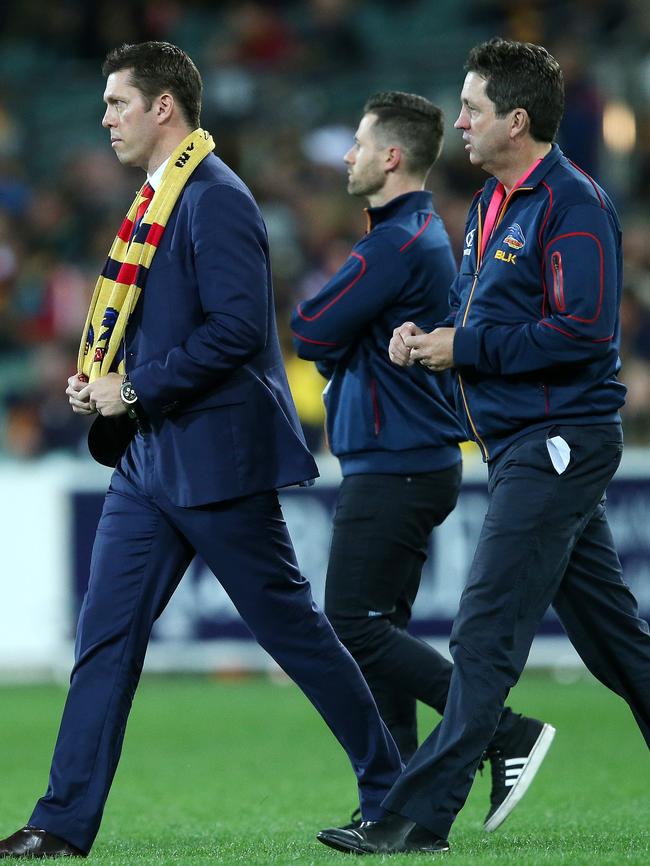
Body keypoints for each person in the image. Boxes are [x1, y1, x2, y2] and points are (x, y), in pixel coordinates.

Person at [0, 41, 404, 860]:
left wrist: (136, 388)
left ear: (163, 108)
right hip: (149, 462)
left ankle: (396, 796)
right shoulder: (155, 201)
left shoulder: (215, 198)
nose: (105, 118)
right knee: (104, 640)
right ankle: (60, 823)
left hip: (216, 460)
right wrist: (100, 379)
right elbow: (163, 326)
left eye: (118, 103)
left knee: (294, 634)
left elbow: (239, 331)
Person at [317, 38, 650, 856]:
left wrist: (459, 349)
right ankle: (425, 805)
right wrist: (433, 341)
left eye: (472, 108)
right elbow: (492, 327)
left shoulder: (572, 204)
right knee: (615, 645)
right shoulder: (499, 204)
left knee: (484, 630)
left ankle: (417, 817)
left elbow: (580, 332)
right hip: (520, 444)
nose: (459, 121)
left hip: (559, 441)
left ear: (519, 120)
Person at [291, 90, 554, 832]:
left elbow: (309, 327)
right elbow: (326, 332)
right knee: (378, 634)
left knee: (350, 623)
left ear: (392, 156)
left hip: (398, 461)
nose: (348, 155)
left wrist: (342, 336)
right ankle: (397, 807)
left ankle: (505, 732)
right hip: (404, 458)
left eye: (358, 142)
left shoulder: (397, 244)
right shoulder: (408, 238)